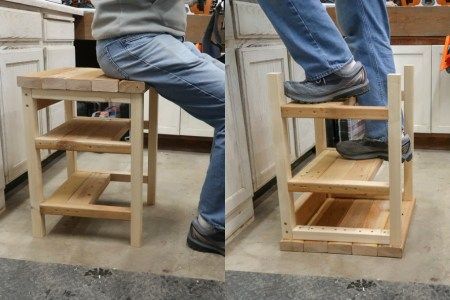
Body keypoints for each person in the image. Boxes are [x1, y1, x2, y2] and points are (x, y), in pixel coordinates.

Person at [92, 1, 225, 256]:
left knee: (236, 89)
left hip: (156, 38)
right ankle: (213, 226)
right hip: (131, 40)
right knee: (231, 105)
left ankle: (224, 211)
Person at [257, 0, 412, 161]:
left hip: (335, 68)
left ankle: (332, 68)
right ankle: (385, 133)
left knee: (362, 13)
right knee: (363, 14)